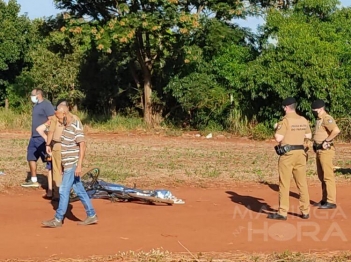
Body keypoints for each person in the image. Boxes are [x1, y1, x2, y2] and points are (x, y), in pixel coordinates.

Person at [42, 104, 98, 227]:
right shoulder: (66, 127)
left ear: (65, 114)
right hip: (68, 164)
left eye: (59, 118)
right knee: (79, 190)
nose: (58, 121)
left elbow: (82, 145)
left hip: (72, 164)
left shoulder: (75, 125)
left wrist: (78, 166)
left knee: (63, 190)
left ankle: (58, 219)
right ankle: (91, 215)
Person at [268, 97, 312, 220]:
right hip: (301, 154)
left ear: (286, 108)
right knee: (302, 183)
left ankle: (283, 212)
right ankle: (305, 211)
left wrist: (277, 127)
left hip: (288, 155)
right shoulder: (303, 119)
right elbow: (308, 135)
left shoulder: (285, 121)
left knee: (284, 183)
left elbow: (278, 138)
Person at [45, 99, 81, 201]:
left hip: (58, 145)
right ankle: (71, 192)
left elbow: (51, 132)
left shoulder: (55, 117)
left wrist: (48, 145)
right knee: (69, 169)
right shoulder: (75, 118)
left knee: (57, 170)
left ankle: (57, 194)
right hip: (71, 147)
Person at [21, 89, 55, 188]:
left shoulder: (47, 104)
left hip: (42, 137)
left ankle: (53, 183)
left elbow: (52, 119)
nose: (31, 97)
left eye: (32, 95)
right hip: (34, 137)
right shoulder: (35, 106)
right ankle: (34, 180)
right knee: (31, 156)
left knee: (48, 160)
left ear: (38, 95)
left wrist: (46, 134)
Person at [311, 99, 340, 209]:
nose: (314, 112)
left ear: (321, 109)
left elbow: (336, 130)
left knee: (328, 176)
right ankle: (324, 199)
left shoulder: (327, 118)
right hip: (319, 150)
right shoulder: (319, 119)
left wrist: (327, 141)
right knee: (321, 176)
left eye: (315, 110)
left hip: (326, 151)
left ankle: (331, 201)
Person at [36, 120, 54, 198]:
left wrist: (47, 139)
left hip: (50, 148)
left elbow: (39, 129)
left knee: (50, 169)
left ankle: (50, 191)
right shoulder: (62, 121)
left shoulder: (51, 121)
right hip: (58, 148)